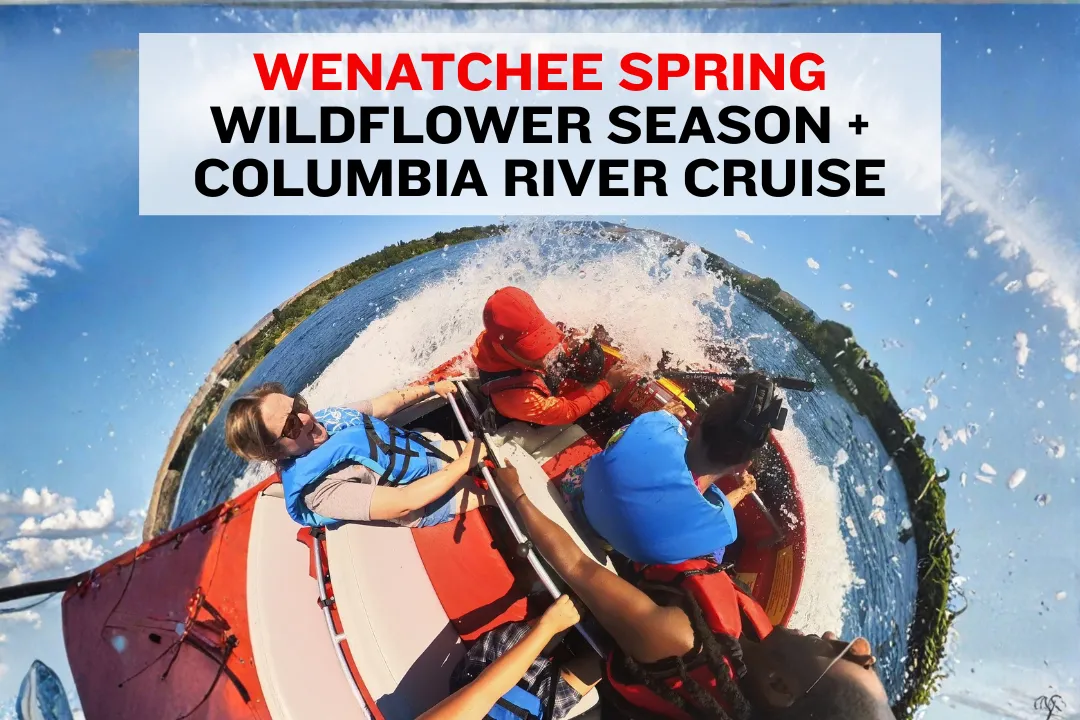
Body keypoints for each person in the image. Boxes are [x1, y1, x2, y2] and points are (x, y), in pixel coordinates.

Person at [495, 461, 894, 720]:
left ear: (779, 685)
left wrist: (515, 491)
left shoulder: (679, 638)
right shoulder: (749, 663)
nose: (828, 635)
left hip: (591, 665)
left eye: (833, 650)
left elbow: (576, 565)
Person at [571, 374, 775, 566]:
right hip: (615, 547)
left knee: (621, 438)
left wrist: (665, 415)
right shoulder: (725, 528)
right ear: (742, 467)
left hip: (580, 500)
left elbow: (634, 434)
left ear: (695, 424)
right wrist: (743, 491)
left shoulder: (653, 424)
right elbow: (719, 514)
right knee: (715, 550)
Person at [224, 380, 488, 528]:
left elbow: (385, 404)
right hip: (428, 500)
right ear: (276, 452)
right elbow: (405, 500)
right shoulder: (317, 493)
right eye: (291, 426)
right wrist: (465, 461)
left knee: (497, 450)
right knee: (500, 490)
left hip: (423, 454)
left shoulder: (330, 420)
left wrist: (432, 388)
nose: (305, 418)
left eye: (298, 405)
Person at [419, 595, 600, 720]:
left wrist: (549, 625)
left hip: (491, 670)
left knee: (573, 602)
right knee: (608, 654)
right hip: (537, 708)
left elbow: (484, 693)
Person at [471, 287, 632, 427]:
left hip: (530, 376)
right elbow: (568, 411)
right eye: (531, 350)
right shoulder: (514, 399)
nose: (543, 356)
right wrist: (608, 385)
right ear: (504, 348)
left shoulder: (494, 336)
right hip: (530, 422)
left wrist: (575, 339)